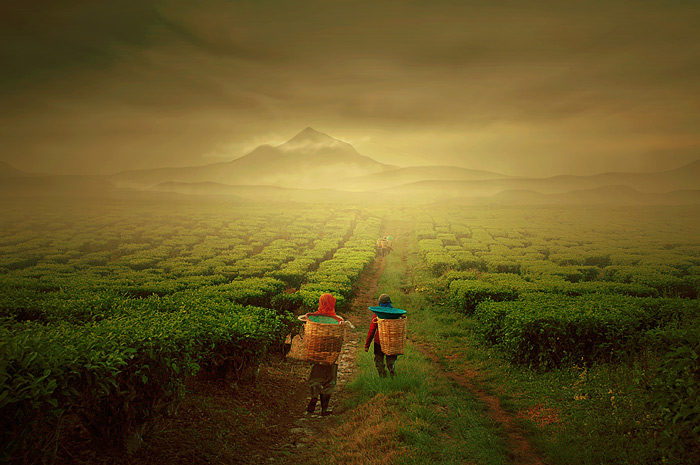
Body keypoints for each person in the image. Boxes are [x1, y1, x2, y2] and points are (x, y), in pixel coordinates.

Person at [306, 293, 340, 416]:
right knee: (330, 381)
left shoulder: (313, 319)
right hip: (331, 357)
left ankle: (314, 395)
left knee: (315, 378)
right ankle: (324, 409)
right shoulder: (337, 321)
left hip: (316, 355)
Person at [365, 294, 398, 378]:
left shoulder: (377, 314)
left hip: (379, 342)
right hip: (392, 341)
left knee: (379, 360)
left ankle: (383, 377)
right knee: (391, 360)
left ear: (380, 303)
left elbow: (372, 330)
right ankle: (392, 373)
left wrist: (367, 345)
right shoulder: (395, 314)